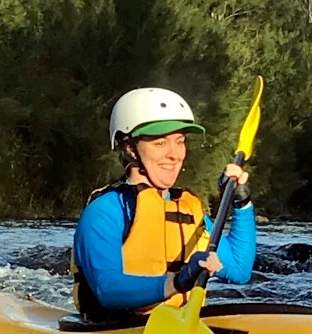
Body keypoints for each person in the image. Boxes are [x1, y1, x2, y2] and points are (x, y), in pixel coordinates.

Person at [70, 87, 257, 321]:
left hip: (173, 327)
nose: (175, 154)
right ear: (130, 149)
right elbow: (106, 289)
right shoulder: (105, 211)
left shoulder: (186, 209)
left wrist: (240, 201)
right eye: (160, 143)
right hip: (110, 328)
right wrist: (178, 282)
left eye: (180, 142)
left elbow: (239, 270)